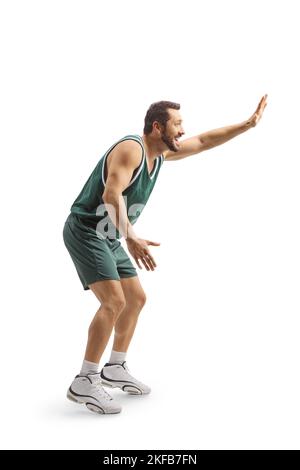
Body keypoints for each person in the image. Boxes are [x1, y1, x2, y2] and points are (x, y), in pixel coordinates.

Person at [63, 95, 268, 414]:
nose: (183, 131)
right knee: (114, 302)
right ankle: (85, 380)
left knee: (136, 299)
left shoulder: (159, 155)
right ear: (157, 127)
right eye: (177, 124)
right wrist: (132, 237)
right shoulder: (131, 148)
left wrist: (247, 125)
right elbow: (110, 194)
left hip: (111, 234)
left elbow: (203, 141)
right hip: (87, 229)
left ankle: (114, 368)